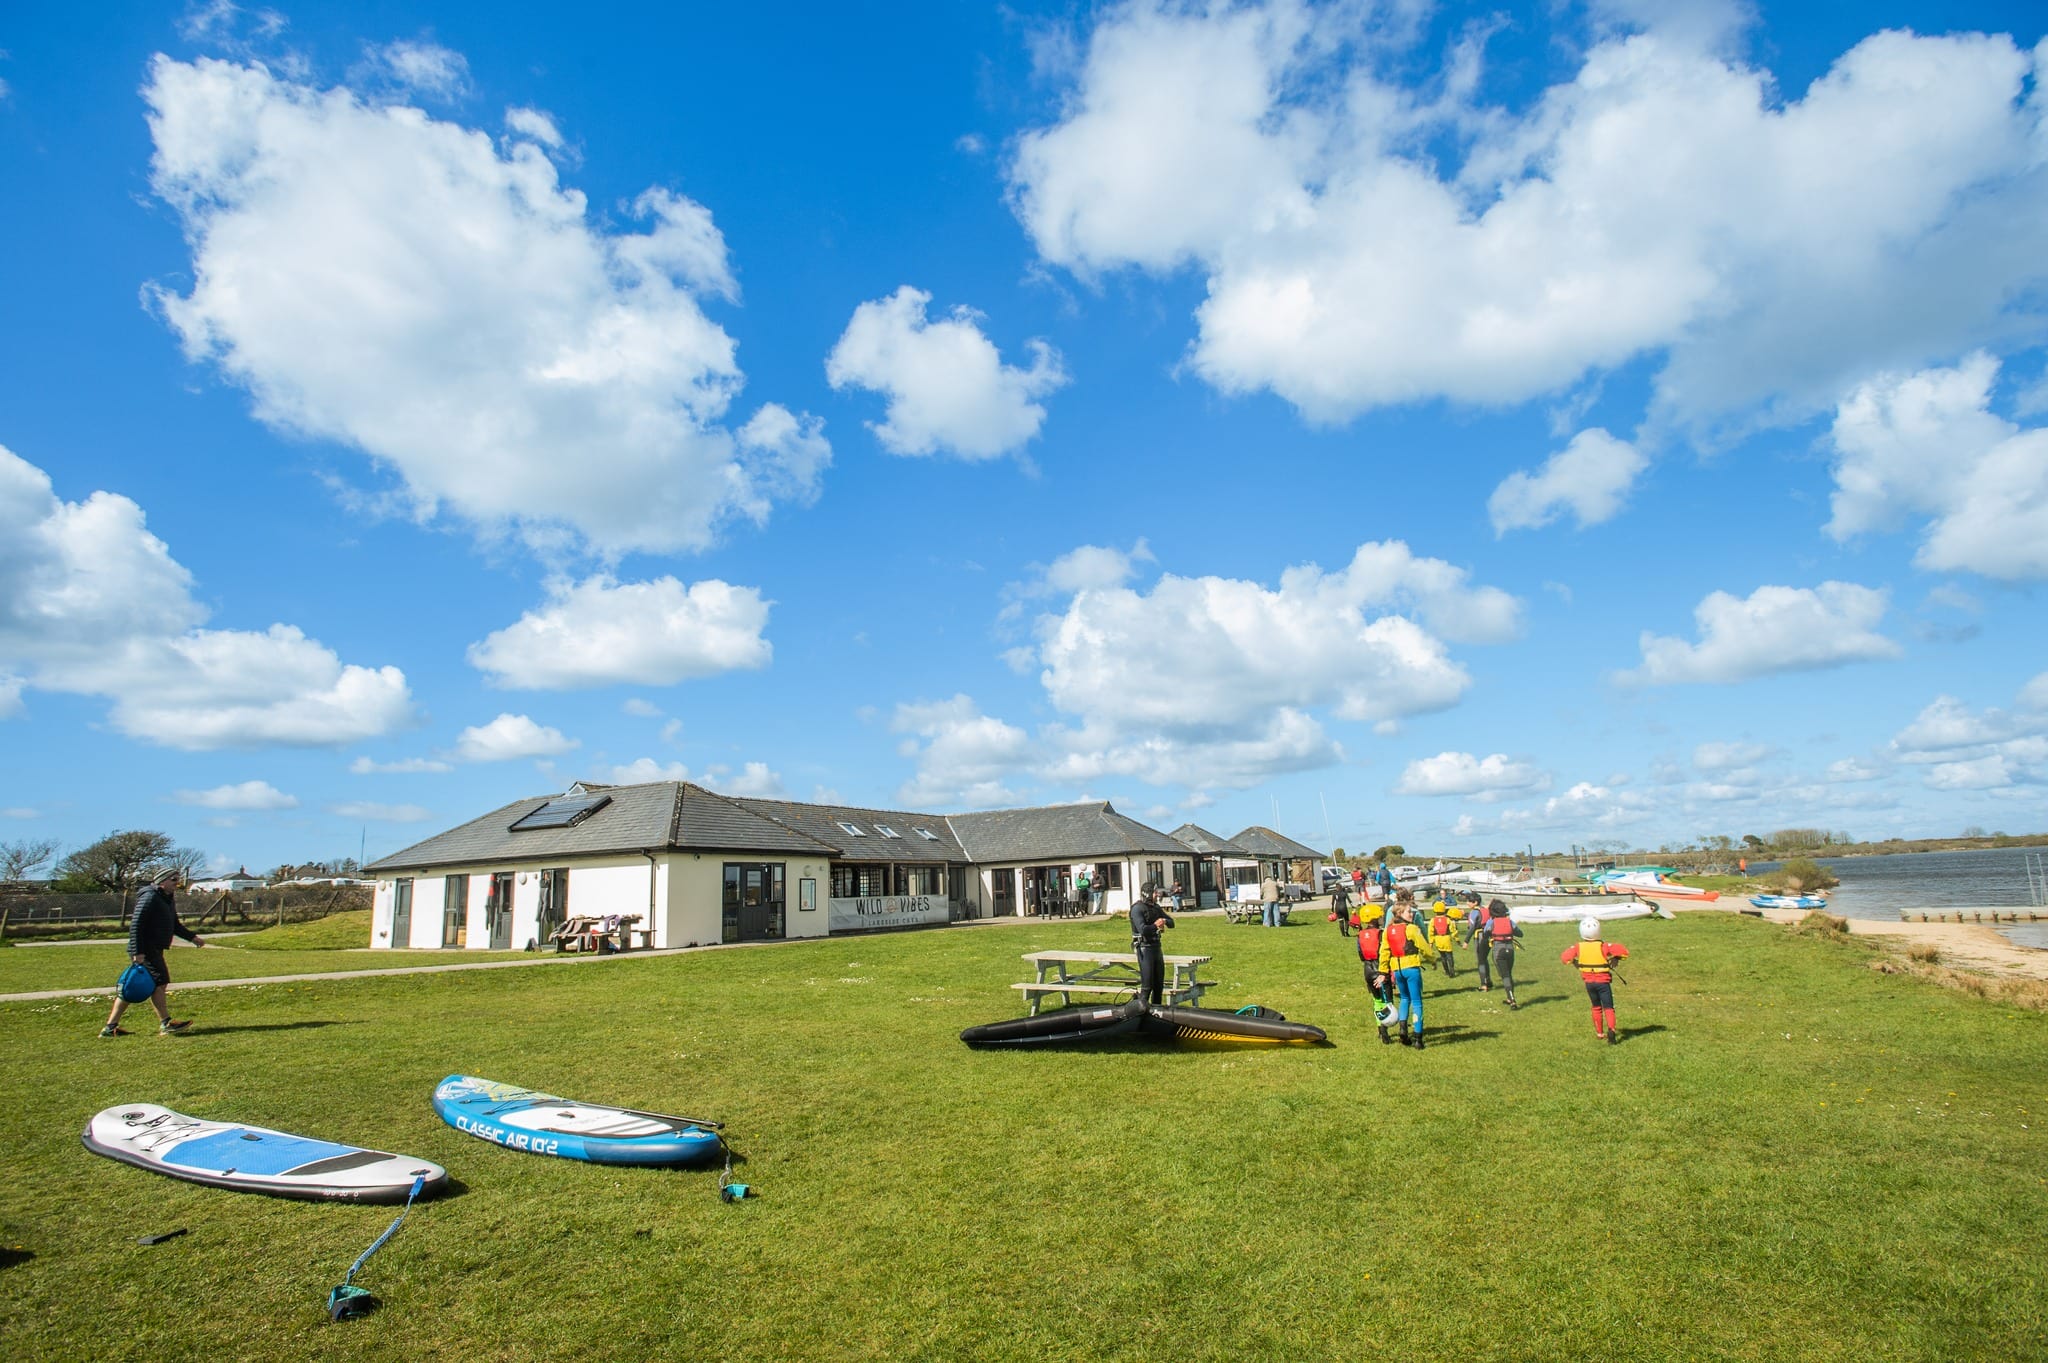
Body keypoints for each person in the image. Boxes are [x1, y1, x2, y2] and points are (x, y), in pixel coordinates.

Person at [101, 869, 206, 1037]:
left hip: (155, 948)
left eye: (178, 880)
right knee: (159, 982)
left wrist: (192, 938)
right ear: (162, 881)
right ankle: (166, 1023)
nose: (177, 883)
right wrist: (137, 951)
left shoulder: (166, 898)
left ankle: (110, 1027)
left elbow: (175, 925)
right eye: (173, 879)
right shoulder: (149, 897)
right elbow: (136, 925)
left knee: (134, 986)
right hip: (146, 949)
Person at [1378, 896, 1439, 1048]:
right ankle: (1418, 1038)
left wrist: (1383, 970)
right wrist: (1433, 960)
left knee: (1405, 999)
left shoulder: (1388, 931)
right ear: (1399, 914)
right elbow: (1424, 947)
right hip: (1411, 968)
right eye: (1408, 912)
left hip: (1397, 970)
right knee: (1417, 1001)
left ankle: (1403, 1029)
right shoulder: (1411, 929)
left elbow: (1384, 951)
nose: (1411, 914)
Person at [1563, 916, 1630, 1043]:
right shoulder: (1603, 946)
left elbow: (1565, 957)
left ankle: (1599, 1033)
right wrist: (1616, 958)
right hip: (1603, 982)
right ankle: (1611, 1030)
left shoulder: (1578, 947)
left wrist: (1574, 962)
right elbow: (1623, 951)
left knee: (1596, 1006)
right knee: (1608, 1007)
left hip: (1589, 983)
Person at [1351, 911, 1397, 1043]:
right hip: (1381, 969)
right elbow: (1386, 952)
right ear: (1375, 918)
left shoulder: (1360, 935)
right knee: (1387, 1001)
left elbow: (1360, 954)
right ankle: (1384, 1031)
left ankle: (1380, 1029)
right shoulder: (1381, 934)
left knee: (1377, 1000)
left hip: (1368, 970)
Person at [1129, 882, 1176, 1005]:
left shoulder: (1156, 907)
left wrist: (1164, 920)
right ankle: (1141, 1011)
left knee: (1158, 986)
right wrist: (1156, 925)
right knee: (1147, 986)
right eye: (1155, 892)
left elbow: (1172, 923)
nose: (1157, 894)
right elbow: (1143, 929)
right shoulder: (1137, 908)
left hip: (1156, 947)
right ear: (1148, 893)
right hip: (1144, 948)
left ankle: (1157, 1012)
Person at [1484, 899, 1523, 1007]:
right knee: (1508, 974)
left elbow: (1485, 933)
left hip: (1498, 950)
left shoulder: (1492, 922)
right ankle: (1509, 998)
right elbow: (1520, 934)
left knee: (1505, 975)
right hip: (1510, 949)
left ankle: (1512, 999)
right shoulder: (1509, 921)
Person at [1464, 895, 1492, 991]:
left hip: (1479, 936)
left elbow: (1472, 927)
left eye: (1469, 901)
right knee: (1484, 959)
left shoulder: (1475, 912)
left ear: (1475, 902)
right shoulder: (1484, 909)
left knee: (1480, 961)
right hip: (1488, 935)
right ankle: (1488, 981)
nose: (1467, 903)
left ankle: (1483, 985)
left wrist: (1466, 941)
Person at [1428, 898, 1458, 977]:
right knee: (1449, 956)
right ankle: (1452, 971)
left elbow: (1430, 932)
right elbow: (1453, 930)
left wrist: (1431, 942)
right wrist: (1456, 939)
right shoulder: (1448, 920)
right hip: (1446, 939)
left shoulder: (1432, 920)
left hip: (1438, 939)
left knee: (1443, 956)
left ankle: (1446, 971)